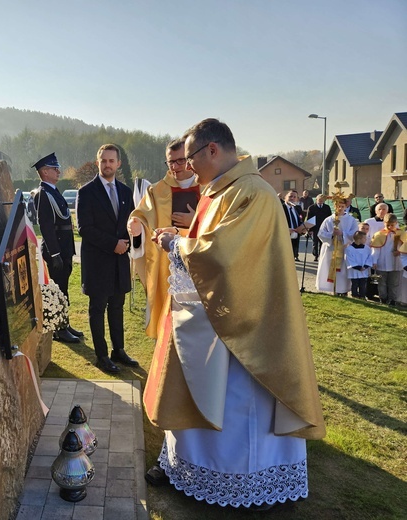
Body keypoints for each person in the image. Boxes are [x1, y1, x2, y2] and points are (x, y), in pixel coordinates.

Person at [143, 118, 325, 511]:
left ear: (213, 150)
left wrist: (177, 242)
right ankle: (190, 469)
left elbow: (225, 255)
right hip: (218, 314)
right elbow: (213, 247)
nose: (187, 167)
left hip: (248, 327)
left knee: (243, 408)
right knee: (199, 387)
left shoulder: (252, 192)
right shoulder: (221, 191)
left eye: (191, 158)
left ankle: (250, 485)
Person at [127, 138, 199, 339]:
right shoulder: (157, 190)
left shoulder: (208, 187)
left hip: (200, 263)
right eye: (170, 162)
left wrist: (195, 221)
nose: (175, 167)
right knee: (168, 321)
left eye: (180, 161)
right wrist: (136, 225)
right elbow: (141, 214)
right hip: (167, 265)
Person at [77, 144, 139, 374]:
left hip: (119, 263)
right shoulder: (86, 192)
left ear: (118, 163)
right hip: (98, 263)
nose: (107, 164)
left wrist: (128, 243)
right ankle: (102, 355)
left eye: (112, 161)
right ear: (97, 162)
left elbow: (131, 225)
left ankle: (118, 351)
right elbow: (85, 228)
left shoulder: (125, 192)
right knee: (97, 309)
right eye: (103, 160)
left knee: (117, 307)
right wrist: (113, 244)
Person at [31, 152, 82, 343]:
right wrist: (55, 253)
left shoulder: (53, 191)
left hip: (64, 248)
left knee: (64, 289)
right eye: (54, 168)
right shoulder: (43, 193)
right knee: (59, 290)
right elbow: (46, 226)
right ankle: (59, 329)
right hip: (56, 250)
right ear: (44, 172)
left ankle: (65, 323)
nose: (58, 171)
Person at [316, 197, 358, 295]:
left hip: (344, 247)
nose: (340, 208)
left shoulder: (351, 220)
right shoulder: (329, 219)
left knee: (342, 270)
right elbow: (321, 233)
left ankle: (343, 290)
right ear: (335, 206)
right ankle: (331, 288)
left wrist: (342, 233)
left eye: (342, 206)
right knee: (329, 266)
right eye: (338, 206)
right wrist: (331, 234)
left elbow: (355, 233)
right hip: (330, 248)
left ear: (345, 207)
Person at [370, 213, 404, 306]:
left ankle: (392, 299)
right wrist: (374, 261)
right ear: (384, 223)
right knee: (382, 282)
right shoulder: (379, 234)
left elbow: (405, 246)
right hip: (383, 262)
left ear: (396, 223)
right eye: (387, 224)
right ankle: (383, 298)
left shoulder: (402, 233)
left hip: (396, 263)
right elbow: (376, 249)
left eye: (392, 225)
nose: (389, 227)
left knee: (394, 283)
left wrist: (400, 251)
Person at [345, 231, 373, 299]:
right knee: (355, 284)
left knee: (363, 284)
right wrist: (358, 267)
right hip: (354, 270)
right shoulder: (350, 249)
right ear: (359, 239)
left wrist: (365, 266)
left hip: (364, 270)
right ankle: (355, 295)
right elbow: (349, 259)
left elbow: (370, 258)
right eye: (364, 238)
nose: (366, 240)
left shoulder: (367, 248)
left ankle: (362, 296)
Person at [282, 190, 306, 261]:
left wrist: (303, 229)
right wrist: (286, 229)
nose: (292, 198)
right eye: (290, 196)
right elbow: (277, 222)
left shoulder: (297, 208)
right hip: (285, 237)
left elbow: (300, 220)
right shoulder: (281, 208)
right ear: (285, 197)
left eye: (294, 197)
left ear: (297, 199)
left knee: (292, 259)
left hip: (295, 235)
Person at [307, 194, 332, 261]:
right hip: (315, 227)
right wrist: (309, 229)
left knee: (322, 242)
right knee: (315, 242)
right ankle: (315, 255)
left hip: (324, 228)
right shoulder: (312, 208)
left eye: (322, 200)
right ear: (316, 200)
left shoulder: (327, 207)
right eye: (319, 200)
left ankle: (321, 255)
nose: (321, 201)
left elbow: (329, 218)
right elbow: (309, 219)